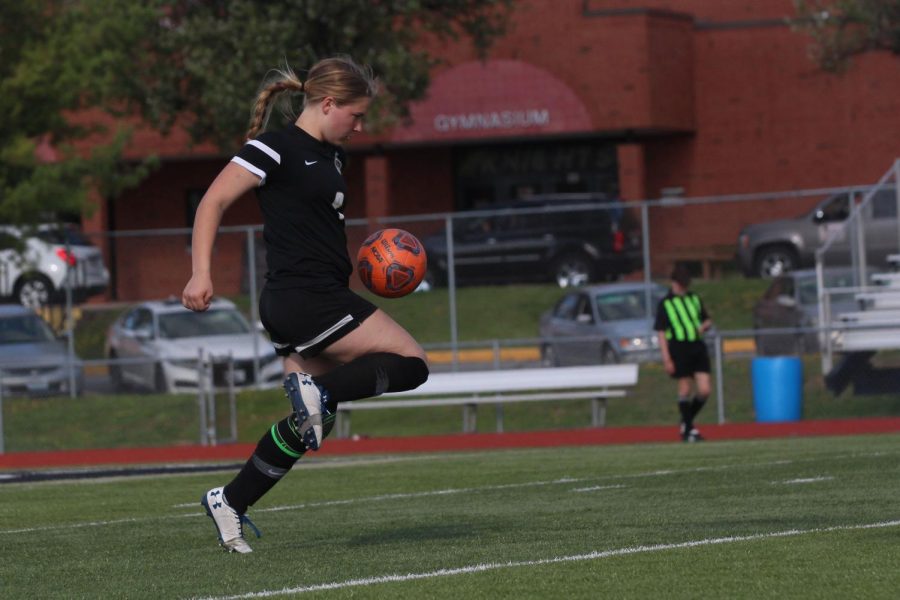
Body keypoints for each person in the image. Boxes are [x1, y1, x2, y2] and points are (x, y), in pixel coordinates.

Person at [182, 56, 429, 553]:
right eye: (355, 115)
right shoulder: (273, 148)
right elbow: (212, 202)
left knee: (310, 426)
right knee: (412, 363)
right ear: (329, 103)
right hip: (304, 297)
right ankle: (318, 388)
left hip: (310, 297)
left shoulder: (335, 156)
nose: (359, 126)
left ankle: (230, 501)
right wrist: (201, 272)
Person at [653, 264, 713, 443]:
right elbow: (661, 332)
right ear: (673, 283)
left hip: (697, 346)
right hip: (679, 348)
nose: (683, 288)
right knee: (685, 388)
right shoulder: (665, 303)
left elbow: (706, 318)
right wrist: (667, 358)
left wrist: (704, 326)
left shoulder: (694, 298)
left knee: (705, 389)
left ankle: (686, 422)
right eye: (680, 284)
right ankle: (688, 430)